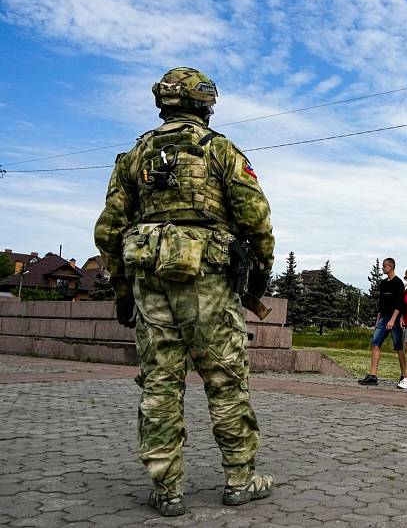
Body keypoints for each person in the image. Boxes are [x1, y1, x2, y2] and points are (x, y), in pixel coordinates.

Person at [94, 67, 275, 517]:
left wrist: (122, 291)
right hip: (209, 280)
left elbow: (108, 231)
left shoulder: (134, 157)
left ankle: (167, 489)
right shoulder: (221, 151)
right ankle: (239, 479)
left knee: (159, 385)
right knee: (226, 380)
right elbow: (257, 220)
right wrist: (258, 278)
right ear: (205, 105)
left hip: (148, 279)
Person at [358, 258, 405, 385]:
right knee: (375, 343)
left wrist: (393, 319)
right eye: (383, 266)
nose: (383, 268)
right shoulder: (383, 283)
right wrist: (377, 321)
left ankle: (404, 376)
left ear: (391, 267)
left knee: (398, 347)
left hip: (394, 318)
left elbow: (399, 304)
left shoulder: (398, 283)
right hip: (383, 318)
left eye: (385, 266)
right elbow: (381, 304)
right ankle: (373, 375)